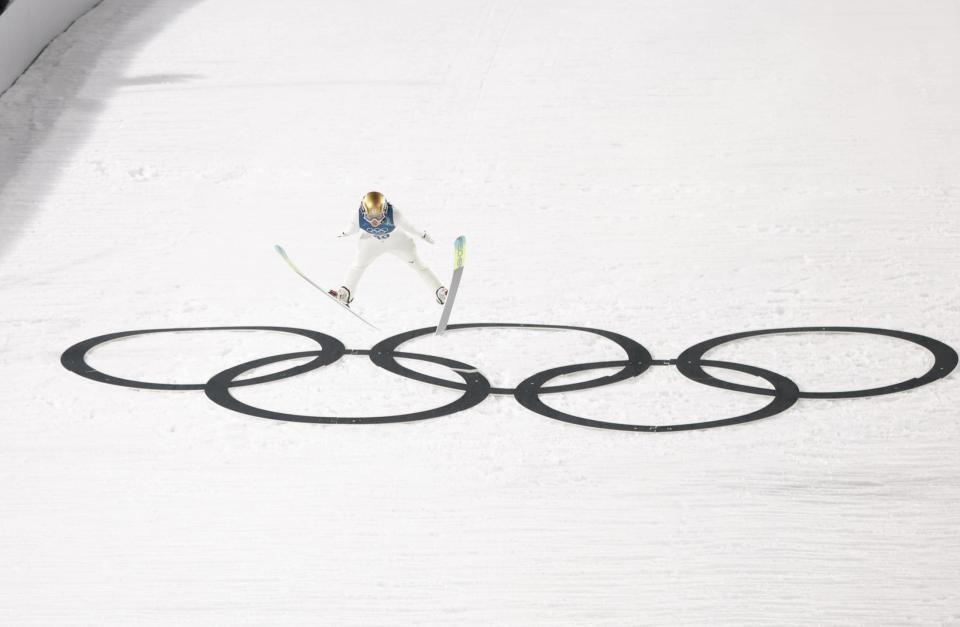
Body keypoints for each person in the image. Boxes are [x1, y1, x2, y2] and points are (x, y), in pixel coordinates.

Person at [332, 191, 447, 306]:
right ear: (363, 211)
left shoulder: (394, 213)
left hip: (397, 241)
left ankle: (439, 291)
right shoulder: (358, 215)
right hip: (372, 243)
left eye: (378, 215)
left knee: (418, 265)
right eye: (370, 216)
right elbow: (352, 228)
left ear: (385, 210)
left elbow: (409, 226)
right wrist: (344, 233)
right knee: (358, 265)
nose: (375, 221)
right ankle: (346, 293)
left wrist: (422, 235)